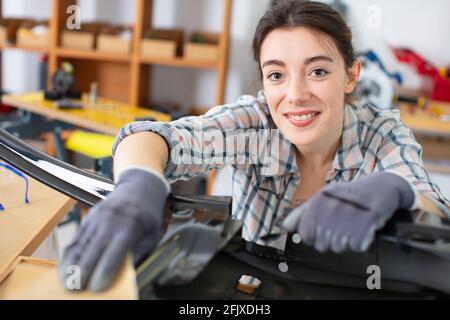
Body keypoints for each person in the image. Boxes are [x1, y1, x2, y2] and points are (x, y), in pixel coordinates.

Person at [59, 0, 450, 292]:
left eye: (317, 71)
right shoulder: (257, 121)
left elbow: (432, 203)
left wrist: (395, 191)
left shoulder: (379, 132)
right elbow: (152, 137)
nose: (294, 95)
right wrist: (138, 185)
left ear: (351, 75)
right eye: (276, 74)